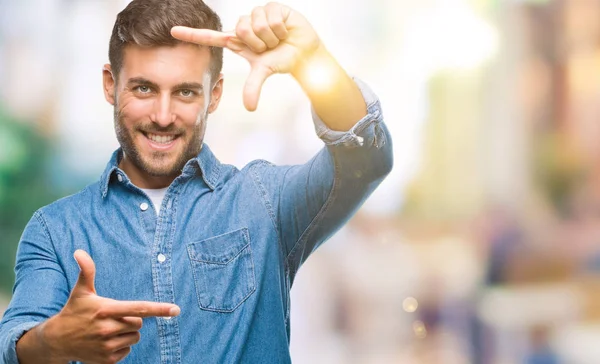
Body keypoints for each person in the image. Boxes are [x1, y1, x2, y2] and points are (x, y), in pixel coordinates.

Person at [0, 0, 393, 362]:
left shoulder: (263, 202)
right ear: (110, 85)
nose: (164, 115)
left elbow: (366, 158)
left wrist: (312, 63)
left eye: (186, 92)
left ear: (215, 94)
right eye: (143, 88)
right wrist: (54, 340)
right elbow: (14, 344)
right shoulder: (55, 230)